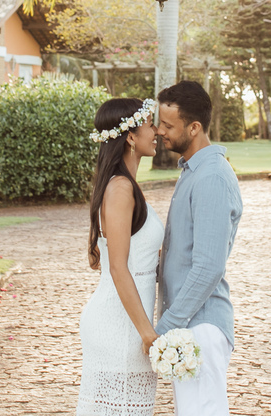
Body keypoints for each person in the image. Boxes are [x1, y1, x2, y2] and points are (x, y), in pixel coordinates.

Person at [155, 80, 243, 416]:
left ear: (194, 128)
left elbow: (208, 267)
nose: (159, 131)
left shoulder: (211, 178)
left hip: (199, 327)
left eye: (167, 125)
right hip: (188, 325)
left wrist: (166, 326)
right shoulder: (193, 171)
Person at [77, 97, 163, 416]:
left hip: (130, 320)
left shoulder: (126, 186)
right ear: (130, 136)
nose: (155, 132)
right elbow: (117, 267)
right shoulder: (120, 189)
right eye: (149, 124)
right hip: (119, 324)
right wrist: (146, 332)